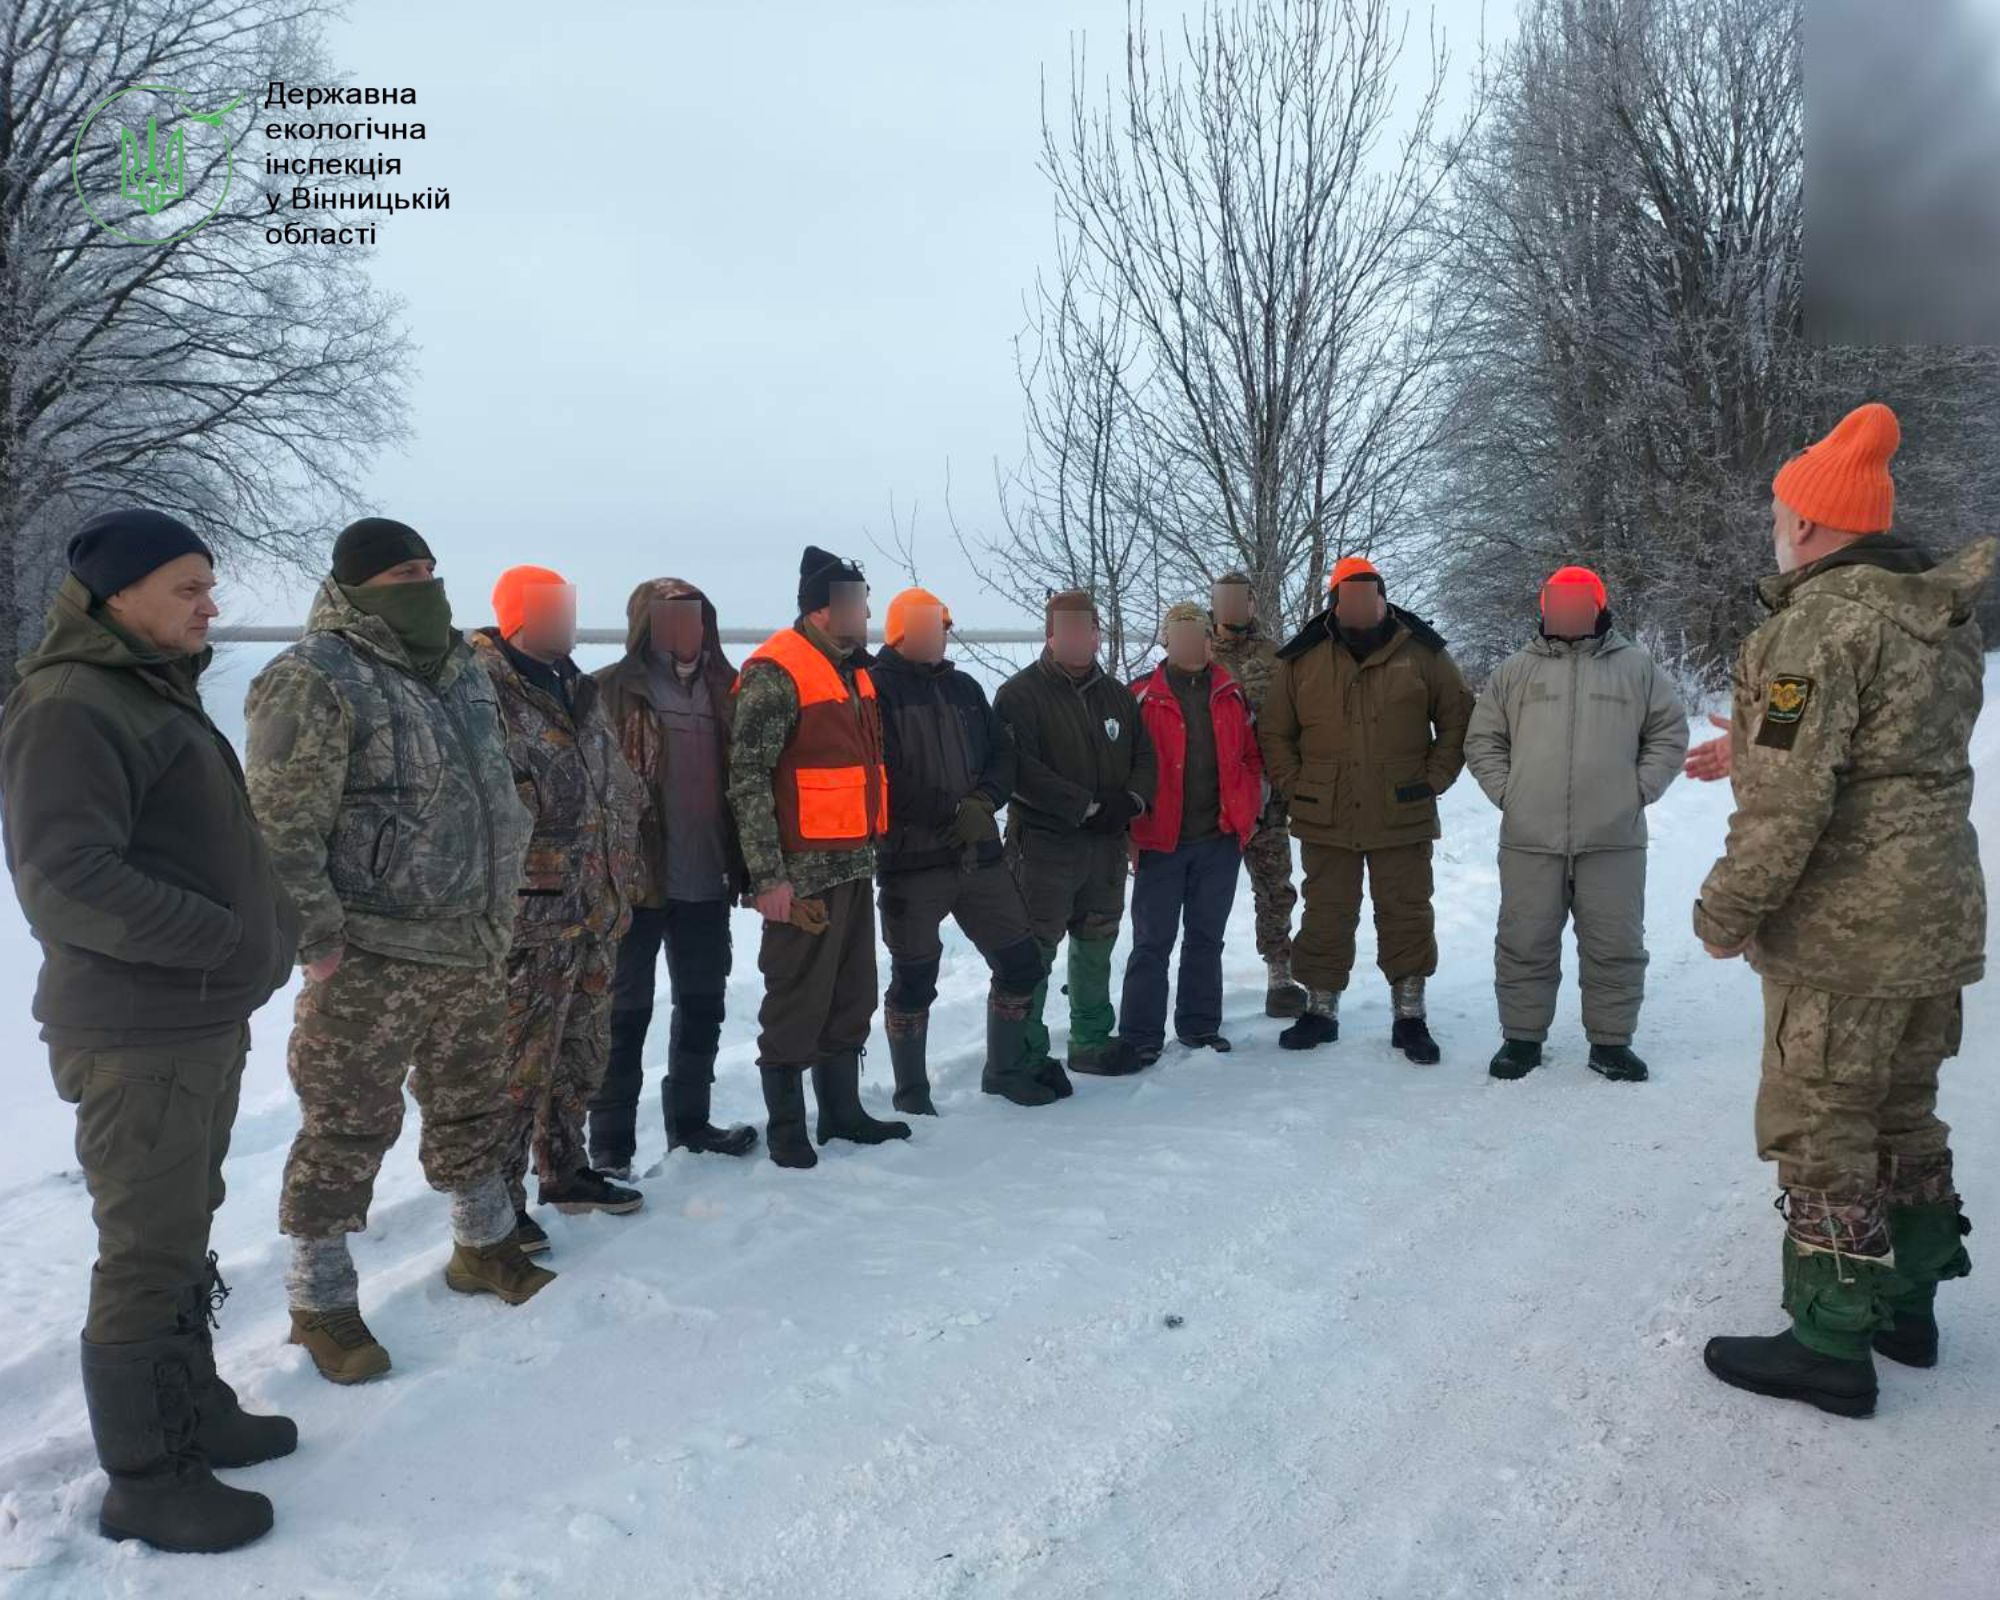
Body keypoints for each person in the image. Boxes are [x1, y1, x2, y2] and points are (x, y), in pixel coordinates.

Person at [0, 510, 300, 1551]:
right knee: (143, 1251)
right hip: (137, 1030)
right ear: (118, 595)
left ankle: (195, 1410)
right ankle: (147, 1474)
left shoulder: (146, 688)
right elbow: (64, 879)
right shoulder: (74, 702)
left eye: (207, 585)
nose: (209, 605)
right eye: (186, 587)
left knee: (180, 1231)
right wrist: (223, 937)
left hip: (193, 1019)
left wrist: (274, 925)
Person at [1689, 402, 1990, 1417]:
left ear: (1810, 526)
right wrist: (1757, 739)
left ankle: (1827, 1341)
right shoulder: (1931, 614)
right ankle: (1904, 1306)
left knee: (1821, 1122)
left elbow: (1788, 799)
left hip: (1842, 934)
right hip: (1933, 915)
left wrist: (1725, 910)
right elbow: (1876, 747)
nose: (1775, 529)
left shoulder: (1812, 622)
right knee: (1902, 1110)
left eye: (1780, 515)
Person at [244, 517, 548, 1387]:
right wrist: (319, 938)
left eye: (430, 568)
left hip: (471, 938)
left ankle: (483, 1244)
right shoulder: (313, 677)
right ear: (360, 586)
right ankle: (320, 1299)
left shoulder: (460, 670)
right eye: (403, 573)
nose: (425, 583)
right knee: (346, 1123)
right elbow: (280, 828)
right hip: (369, 950)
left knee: (473, 1101)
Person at [472, 566, 647, 1253]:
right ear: (517, 615)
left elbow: (615, 788)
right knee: (518, 1065)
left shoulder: (580, 687)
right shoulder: (479, 688)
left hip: (595, 908)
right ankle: (496, 1205)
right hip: (527, 917)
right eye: (551, 609)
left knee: (580, 1055)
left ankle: (565, 1171)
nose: (567, 620)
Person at [1464, 566, 1688, 1082]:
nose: (1565, 611)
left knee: (1615, 944)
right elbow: (1483, 740)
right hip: (1530, 838)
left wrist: (1637, 791)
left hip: (1613, 839)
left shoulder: (1636, 668)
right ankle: (1521, 1040)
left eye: (1577, 601)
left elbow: (1669, 734)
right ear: (1543, 607)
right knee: (1524, 941)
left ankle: (1611, 1043)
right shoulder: (1514, 671)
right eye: (1555, 601)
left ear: (1598, 607)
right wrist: (1508, 793)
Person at [729, 546, 910, 1167]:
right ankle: (787, 1129)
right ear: (824, 610)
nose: (867, 611)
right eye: (858, 602)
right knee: (795, 998)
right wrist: (767, 878)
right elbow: (747, 778)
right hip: (801, 874)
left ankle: (842, 1113)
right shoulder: (776, 671)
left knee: (852, 993)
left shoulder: (853, 670)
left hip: (854, 864)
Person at [1258, 557, 1474, 1061]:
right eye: (1347, 598)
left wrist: (1434, 780)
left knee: (1407, 911)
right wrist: (1298, 784)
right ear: (1333, 602)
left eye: (1369, 597)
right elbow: (1274, 731)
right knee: (1326, 912)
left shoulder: (1422, 654)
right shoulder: (1302, 659)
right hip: (1325, 812)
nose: (1359, 607)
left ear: (1383, 600)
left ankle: (1410, 1015)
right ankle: (1321, 1009)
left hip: (1403, 811)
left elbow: (1458, 720)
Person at [588, 578, 757, 1174]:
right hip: (632, 884)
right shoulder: (606, 692)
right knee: (622, 1013)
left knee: (704, 1005)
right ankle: (608, 1145)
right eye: (671, 618)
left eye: (696, 617)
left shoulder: (731, 691)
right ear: (644, 624)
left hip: (707, 878)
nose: (686, 630)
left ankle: (691, 1125)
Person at [873, 587, 1058, 1109]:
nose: (940, 636)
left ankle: (1002, 1071)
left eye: (944, 626)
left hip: (981, 857)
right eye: (930, 627)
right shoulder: (874, 691)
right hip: (911, 863)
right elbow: (882, 774)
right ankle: (911, 1093)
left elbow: (1004, 754)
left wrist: (984, 802)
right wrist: (950, 811)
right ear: (900, 632)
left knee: (1022, 963)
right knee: (914, 979)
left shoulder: (965, 688)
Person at [994, 590, 1158, 1077]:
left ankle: (1090, 1039)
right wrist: (1081, 806)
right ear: (1049, 635)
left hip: (1104, 847)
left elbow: (1144, 757)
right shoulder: (1019, 695)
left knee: (1097, 939)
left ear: (1096, 635)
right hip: (1045, 847)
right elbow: (1019, 769)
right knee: (1034, 948)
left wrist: (1130, 801)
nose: (1076, 639)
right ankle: (1024, 1049)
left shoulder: (1117, 696)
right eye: (1064, 630)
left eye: (1085, 630)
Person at [1118, 601, 1264, 1064]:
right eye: (1178, 636)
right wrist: (1129, 832)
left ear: (1208, 640)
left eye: (1197, 636)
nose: (1189, 644)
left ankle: (1200, 1026)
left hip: (1219, 841)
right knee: (1151, 942)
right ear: (1167, 641)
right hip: (1160, 840)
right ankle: (1140, 1034)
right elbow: (1121, 766)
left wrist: (1248, 811)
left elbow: (1251, 757)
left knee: (1206, 938)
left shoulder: (1231, 692)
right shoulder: (1140, 695)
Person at [1208, 572, 1306, 1018]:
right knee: (1207, 893)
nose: (1231, 608)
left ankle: (1279, 971)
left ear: (1252, 604)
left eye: (1239, 600)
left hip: (1268, 799)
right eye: (1222, 600)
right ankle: (1201, 984)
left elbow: (1298, 720)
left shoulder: (1279, 657)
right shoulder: (1198, 655)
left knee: (1274, 888)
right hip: (1212, 800)